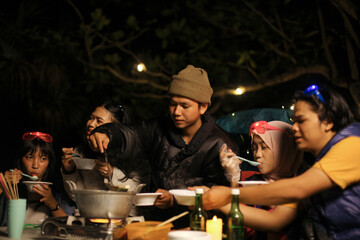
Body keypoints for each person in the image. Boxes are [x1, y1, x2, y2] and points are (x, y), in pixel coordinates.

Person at [88, 65, 239, 228]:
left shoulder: (221, 145)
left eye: (184, 106)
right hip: (156, 224)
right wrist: (106, 133)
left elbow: (221, 197)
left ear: (203, 106)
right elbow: (130, 134)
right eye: (172, 104)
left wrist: (174, 200)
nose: (176, 112)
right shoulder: (157, 128)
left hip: (198, 227)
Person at [202, 84, 360, 239]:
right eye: (294, 120)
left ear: (328, 121)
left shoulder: (353, 144)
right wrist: (215, 200)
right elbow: (275, 221)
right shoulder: (308, 169)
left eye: (301, 121)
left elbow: (298, 189)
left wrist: (229, 195)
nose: (295, 127)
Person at [212, 120, 303, 239]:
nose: (257, 154)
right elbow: (238, 228)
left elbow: (275, 228)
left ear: (284, 149)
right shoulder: (249, 181)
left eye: (264, 147)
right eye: (254, 148)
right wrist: (233, 180)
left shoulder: (302, 184)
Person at [61, 98, 150, 201]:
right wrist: (69, 171)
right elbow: (77, 198)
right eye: (91, 118)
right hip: (91, 213)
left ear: (116, 129)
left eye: (99, 121)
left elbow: (139, 197)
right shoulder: (80, 153)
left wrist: (112, 173)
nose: (91, 124)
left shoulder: (136, 155)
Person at [0, 131, 75, 226]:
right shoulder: (11, 190)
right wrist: (2, 183)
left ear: (49, 163)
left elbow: (70, 228)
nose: (35, 165)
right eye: (29, 157)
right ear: (21, 160)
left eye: (43, 159)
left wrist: (52, 203)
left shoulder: (59, 192)